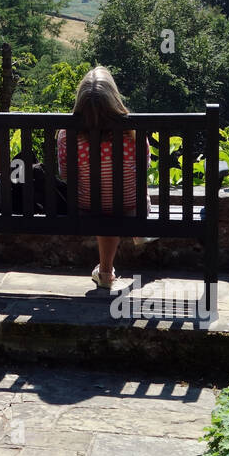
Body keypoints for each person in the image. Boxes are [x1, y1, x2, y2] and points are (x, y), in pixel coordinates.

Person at [56, 66, 151, 289]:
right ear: (114, 97)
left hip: (86, 206)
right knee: (121, 197)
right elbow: (144, 167)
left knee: (102, 197)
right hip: (130, 206)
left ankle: (105, 272)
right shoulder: (133, 132)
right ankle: (107, 270)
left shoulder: (67, 135)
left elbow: (65, 174)